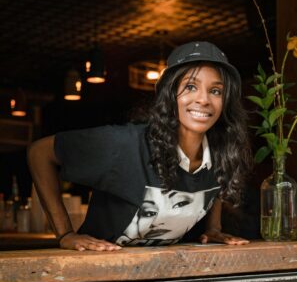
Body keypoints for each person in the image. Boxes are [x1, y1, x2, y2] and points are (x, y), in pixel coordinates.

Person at [27, 41, 253, 251]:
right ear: (170, 93)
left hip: (157, 279)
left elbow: (213, 185)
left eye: (216, 91)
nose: (204, 99)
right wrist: (65, 234)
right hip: (95, 278)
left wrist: (213, 229)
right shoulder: (122, 145)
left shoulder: (220, 152)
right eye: (191, 87)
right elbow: (39, 152)